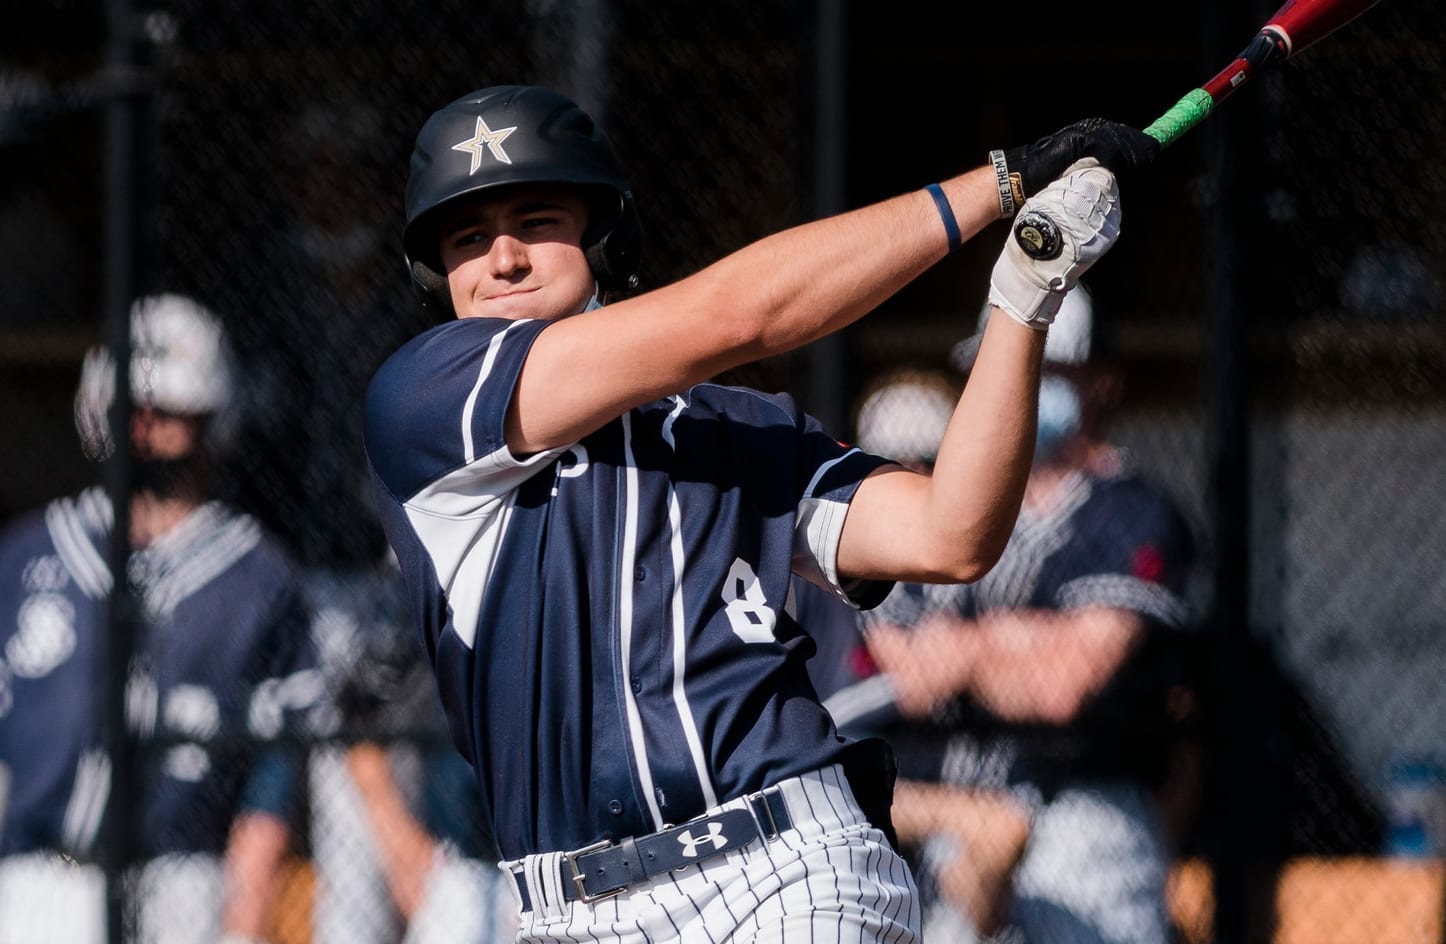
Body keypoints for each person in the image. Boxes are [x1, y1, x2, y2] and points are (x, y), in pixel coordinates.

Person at [362, 84, 1158, 942]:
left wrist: (1023, 298)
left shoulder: (736, 429)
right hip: (566, 912)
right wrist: (999, 184)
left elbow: (952, 534)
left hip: (787, 873)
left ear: (604, 234)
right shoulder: (425, 403)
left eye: (538, 219)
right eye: (468, 239)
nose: (504, 259)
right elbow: (742, 314)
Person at [843, 286, 1201, 943]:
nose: (1022, 381)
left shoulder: (1131, 510)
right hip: (954, 825)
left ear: (1101, 384)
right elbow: (912, 666)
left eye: (1048, 367)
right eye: (1006, 361)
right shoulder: (954, 511)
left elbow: (1063, 684)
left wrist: (966, 651)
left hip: (1085, 817)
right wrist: (1018, 640)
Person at [0, 293, 322, 944]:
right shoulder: (30, 553)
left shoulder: (257, 574)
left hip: (184, 880)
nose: (146, 427)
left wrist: (243, 923)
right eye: (132, 410)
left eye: (171, 411)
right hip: (35, 876)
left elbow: (271, 775)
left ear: (213, 416)